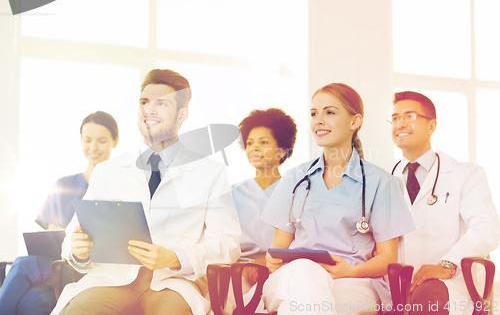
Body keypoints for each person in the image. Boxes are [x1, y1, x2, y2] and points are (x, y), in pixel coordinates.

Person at [51, 69, 241, 315]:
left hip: (171, 284)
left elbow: (228, 243)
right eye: (144, 102)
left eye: (161, 103)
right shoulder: (108, 170)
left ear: (182, 114)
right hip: (111, 280)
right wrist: (78, 251)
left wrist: (175, 257)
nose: (149, 110)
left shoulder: (211, 173)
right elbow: (73, 237)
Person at [260, 83, 415, 315]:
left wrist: (350, 271)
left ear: (355, 122)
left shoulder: (381, 183)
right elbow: (278, 247)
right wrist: (272, 260)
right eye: (314, 114)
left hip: (354, 281)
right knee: (304, 274)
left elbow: (387, 258)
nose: (318, 121)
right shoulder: (294, 178)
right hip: (292, 277)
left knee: (298, 305)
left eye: (329, 112)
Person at [389, 91, 500, 315]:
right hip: (398, 286)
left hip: (451, 285)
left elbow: (487, 228)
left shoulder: (466, 174)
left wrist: (447, 264)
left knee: (427, 298)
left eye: (409, 116)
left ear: (432, 126)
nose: (400, 123)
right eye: (395, 118)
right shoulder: (385, 181)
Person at [0, 111, 119, 315]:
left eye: (101, 141)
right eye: (87, 140)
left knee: (22, 266)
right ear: (80, 140)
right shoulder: (63, 185)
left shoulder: (119, 187)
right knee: (31, 301)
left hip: (92, 269)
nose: (93, 147)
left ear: (115, 141)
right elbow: (48, 232)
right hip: (56, 266)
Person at [228, 108, 297, 312]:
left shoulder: (296, 192)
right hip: (239, 273)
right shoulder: (231, 193)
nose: (254, 148)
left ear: (281, 151)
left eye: (263, 142)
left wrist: (265, 262)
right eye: (249, 143)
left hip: (281, 270)